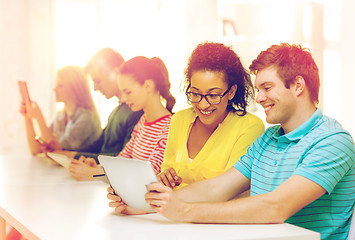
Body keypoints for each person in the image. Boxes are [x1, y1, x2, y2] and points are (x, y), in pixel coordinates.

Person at [110, 43, 355, 240]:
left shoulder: (332, 141)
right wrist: (146, 204)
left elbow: (276, 207)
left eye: (267, 88)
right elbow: (214, 189)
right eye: (258, 89)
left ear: (298, 86)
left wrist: (184, 211)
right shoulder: (268, 141)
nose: (258, 98)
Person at [158, 42, 264, 189]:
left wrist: (167, 198)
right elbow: (166, 170)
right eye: (195, 93)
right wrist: (163, 179)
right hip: (169, 211)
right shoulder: (180, 119)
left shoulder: (249, 126)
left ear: (231, 92)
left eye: (213, 95)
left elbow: (226, 190)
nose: (203, 105)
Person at [74, 56, 175, 178]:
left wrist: (94, 174)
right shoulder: (143, 121)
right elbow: (122, 160)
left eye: (128, 92)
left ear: (148, 86)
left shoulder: (169, 127)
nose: (124, 99)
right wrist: (97, 168)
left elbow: (148, 174)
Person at [67, 48, 143, 180]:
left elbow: (126, 158)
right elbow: (98, 145)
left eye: (98, 81)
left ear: (115, 73)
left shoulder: (137, 112)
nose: (95, 88)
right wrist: (70, 154)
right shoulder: (116, 112)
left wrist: (75, 157)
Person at [20, 65, 102, 155]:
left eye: (61, 85)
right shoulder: (61, 116)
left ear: (75, 88)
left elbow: (55, 150)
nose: (55, 89)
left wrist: (39, 117)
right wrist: (27, 118)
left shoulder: (87, 118)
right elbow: (36, 151)